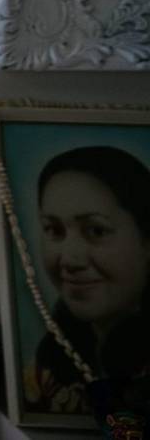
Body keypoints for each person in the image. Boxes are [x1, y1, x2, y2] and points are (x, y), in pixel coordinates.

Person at [24, 146, 150, 414]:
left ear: (146, 240)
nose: (70, 259)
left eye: (96, 230)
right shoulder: (45, 368)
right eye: (54, 230)